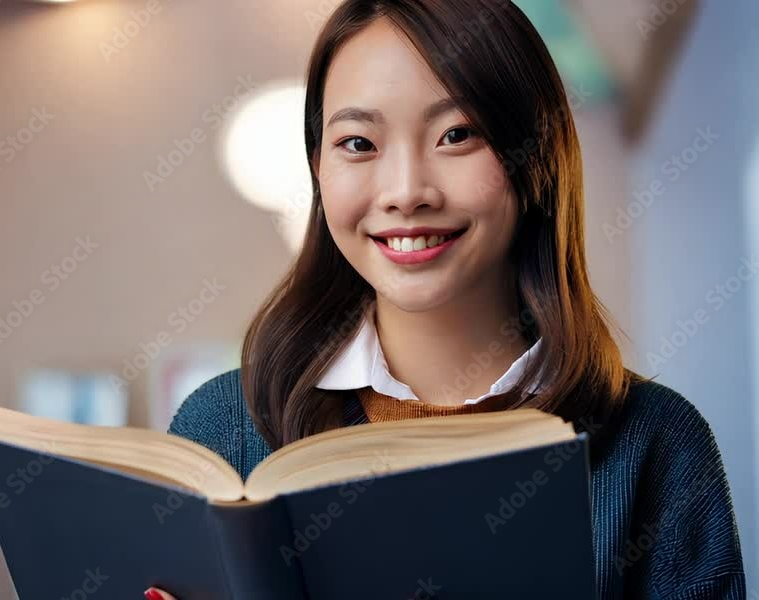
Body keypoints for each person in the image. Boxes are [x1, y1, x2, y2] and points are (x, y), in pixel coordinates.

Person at [146, 0, 745, 597]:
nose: (406, 192)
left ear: (536, 157)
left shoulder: (656, 442)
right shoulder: (221, 429)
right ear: (318, 171)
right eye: (358, 143)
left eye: (456, 135)